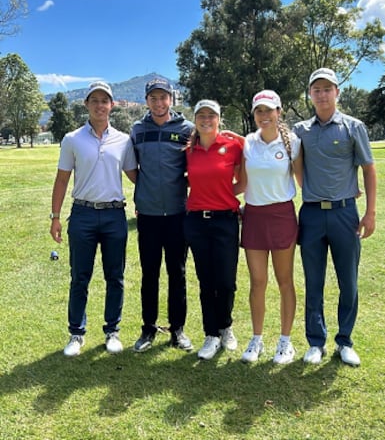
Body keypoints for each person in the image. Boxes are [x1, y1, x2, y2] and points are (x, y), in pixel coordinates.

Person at [293, 68, 377, 366]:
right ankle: (316, 342)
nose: (322, 94)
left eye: (328, 88)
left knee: (348, 282)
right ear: (310, 94)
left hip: (345, 214)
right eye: (317, 89)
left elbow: (368, 168)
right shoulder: (300, 130)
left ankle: (345, 341)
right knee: (313, 282)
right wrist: (310, 190)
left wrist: (370, 212)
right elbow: (295, 166)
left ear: (337, 92)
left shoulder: (354, 127)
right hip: (313, 215)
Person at [50, 81, 137, 357]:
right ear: (86, 104)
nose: (100, 105)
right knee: (80, 277)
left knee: (115, 276)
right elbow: (62, 179)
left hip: (114, 214)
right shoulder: (72, 139)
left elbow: (136, 176)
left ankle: (112, 331)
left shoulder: (124, 140)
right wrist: (55, 216)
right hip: (83, 214)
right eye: (95, 100)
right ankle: (76, 333)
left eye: (105, 100)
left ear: (112, 105)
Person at [237, 90, 303, 364]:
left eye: (268, 110)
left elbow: (304, 182)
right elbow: (240, 184)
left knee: (284, 280)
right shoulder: (247, 143)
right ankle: (256, 339)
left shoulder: (293, 144)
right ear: (254, 115)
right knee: (258, 282)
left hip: (282, 216)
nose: (264, 116)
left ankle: (285, 342)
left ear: (279, 112)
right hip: (253, 216)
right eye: (259, 111)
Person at [130, 77, 194, 353]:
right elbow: (131, 167)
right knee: (149, 273)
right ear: (147, 101)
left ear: (171, 99)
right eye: (153, 98)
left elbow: (197, 166)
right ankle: (148, 328)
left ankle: (177, 329)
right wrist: (145, 188)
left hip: (178, 213)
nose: (158, 102)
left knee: (177, 273)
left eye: (163, 97)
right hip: (148, 214)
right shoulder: (137, 130)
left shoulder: (186, 129)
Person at [184, 99, 243, 360]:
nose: (206, 120)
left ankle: (226, 326)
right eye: (201, 115)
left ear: (219, 119)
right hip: (197, 221)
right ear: (195, 119)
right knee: (206, 280)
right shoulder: (188, 150)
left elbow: (243, 181)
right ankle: (211, 334)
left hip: (225, 220)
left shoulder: (233, 146)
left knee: (226, 281)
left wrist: (223, 196)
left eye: (211, 115)